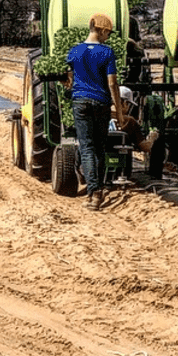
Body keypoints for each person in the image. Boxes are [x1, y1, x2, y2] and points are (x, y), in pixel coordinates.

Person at [66, 13, 123, 210]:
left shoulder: (74, 52)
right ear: (102, 30)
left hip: (80, 102)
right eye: (108, 33)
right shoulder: (107, 53)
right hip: (101, 103)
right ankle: (96, 189)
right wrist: (120, 112)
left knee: (87, 146)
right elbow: (112, 83)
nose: (108, 37)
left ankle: (94, 191)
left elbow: (69, 80)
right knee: (98, 148)